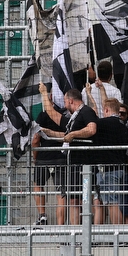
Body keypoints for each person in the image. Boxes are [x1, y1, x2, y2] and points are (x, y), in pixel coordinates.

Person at [39, 86, 98, 225]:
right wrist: (48, 132)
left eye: (65, 102)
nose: (64, 106)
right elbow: (54, 117)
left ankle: (85, 233)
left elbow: (91, 129)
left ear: (71, 101)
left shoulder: (86, 111)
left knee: (84, 199)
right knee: (73, 199)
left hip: (84, 166)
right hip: (74, 165)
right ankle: (75, 233)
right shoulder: (74, 117)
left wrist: (73, 134)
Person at [94, 98, 128, 225]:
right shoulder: (124, 127)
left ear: (106, 109)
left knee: (112, 203)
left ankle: (116, 235)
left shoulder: (101, 124)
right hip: (121, 169)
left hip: (107, 170)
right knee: (113, 202)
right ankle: (117, 236)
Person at [31, 100, 67, 226]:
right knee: (61, 193)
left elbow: (35, 139)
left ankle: (42, 216)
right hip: (60, 157)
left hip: (43, 157)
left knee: (38, 185)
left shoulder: (43, 115)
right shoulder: (65, 116)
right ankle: (61, 227)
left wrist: (35, 157)